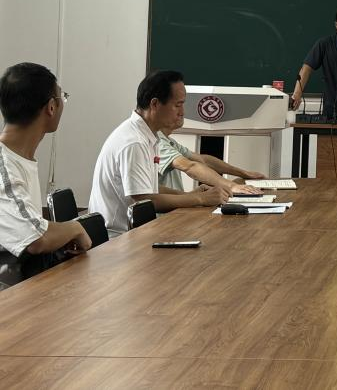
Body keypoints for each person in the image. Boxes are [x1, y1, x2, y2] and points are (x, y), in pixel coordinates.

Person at [88, 70, 228, 236]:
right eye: (177, 105)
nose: (182, 112)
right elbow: (145, 200)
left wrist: (188, 195)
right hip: (118, 238)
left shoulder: (147, 135)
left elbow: (148, 188)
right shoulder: (134, 142)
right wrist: (200, 199)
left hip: (135, 233)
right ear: (154, 104)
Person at [0, 63, 90, 284]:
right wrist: (75, 228)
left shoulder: (18, 159)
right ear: (51, 107)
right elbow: (36, 238)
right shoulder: (4, 168)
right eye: (62, 97)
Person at [157, 116, 264, 195]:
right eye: (177, 105)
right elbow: (189, 166)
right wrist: (232, 186)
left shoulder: (168, 141)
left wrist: (244, 173)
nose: (182, 112)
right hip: (163, 216)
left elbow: (203, 160)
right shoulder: (159, 142)